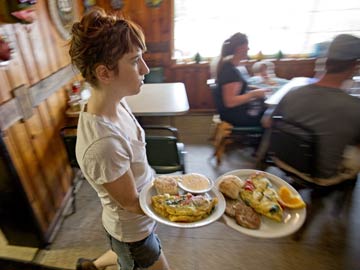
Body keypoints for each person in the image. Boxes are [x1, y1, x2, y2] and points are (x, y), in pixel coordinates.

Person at [69, 7, 171, 270]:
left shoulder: (116, 102)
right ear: (104, 73)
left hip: (130, 225)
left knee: (120, 249)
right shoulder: (104, 145)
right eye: (135, 60)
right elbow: (131, 203)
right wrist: (186, 208)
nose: (146, 68)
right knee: (134, 255)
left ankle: (91, 266)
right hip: (134, 233)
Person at [267, 34, 360, 186]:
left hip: (281, 160)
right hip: (320, 176)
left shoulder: (293, 91)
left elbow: (268, 122)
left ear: (326, 62)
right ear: (354, 66)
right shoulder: (355, 107)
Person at [215, 32, 270, 127]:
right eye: (247, 45)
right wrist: (254, 94)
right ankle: (265, 141)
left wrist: (251, 88)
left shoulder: (230, 67)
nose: (248, 48)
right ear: (239, 48)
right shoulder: (230, 71)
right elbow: (230, 102)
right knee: (271, 117)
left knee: (268, 113)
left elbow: (237, 89)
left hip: (237, 112)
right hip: (236, 116)